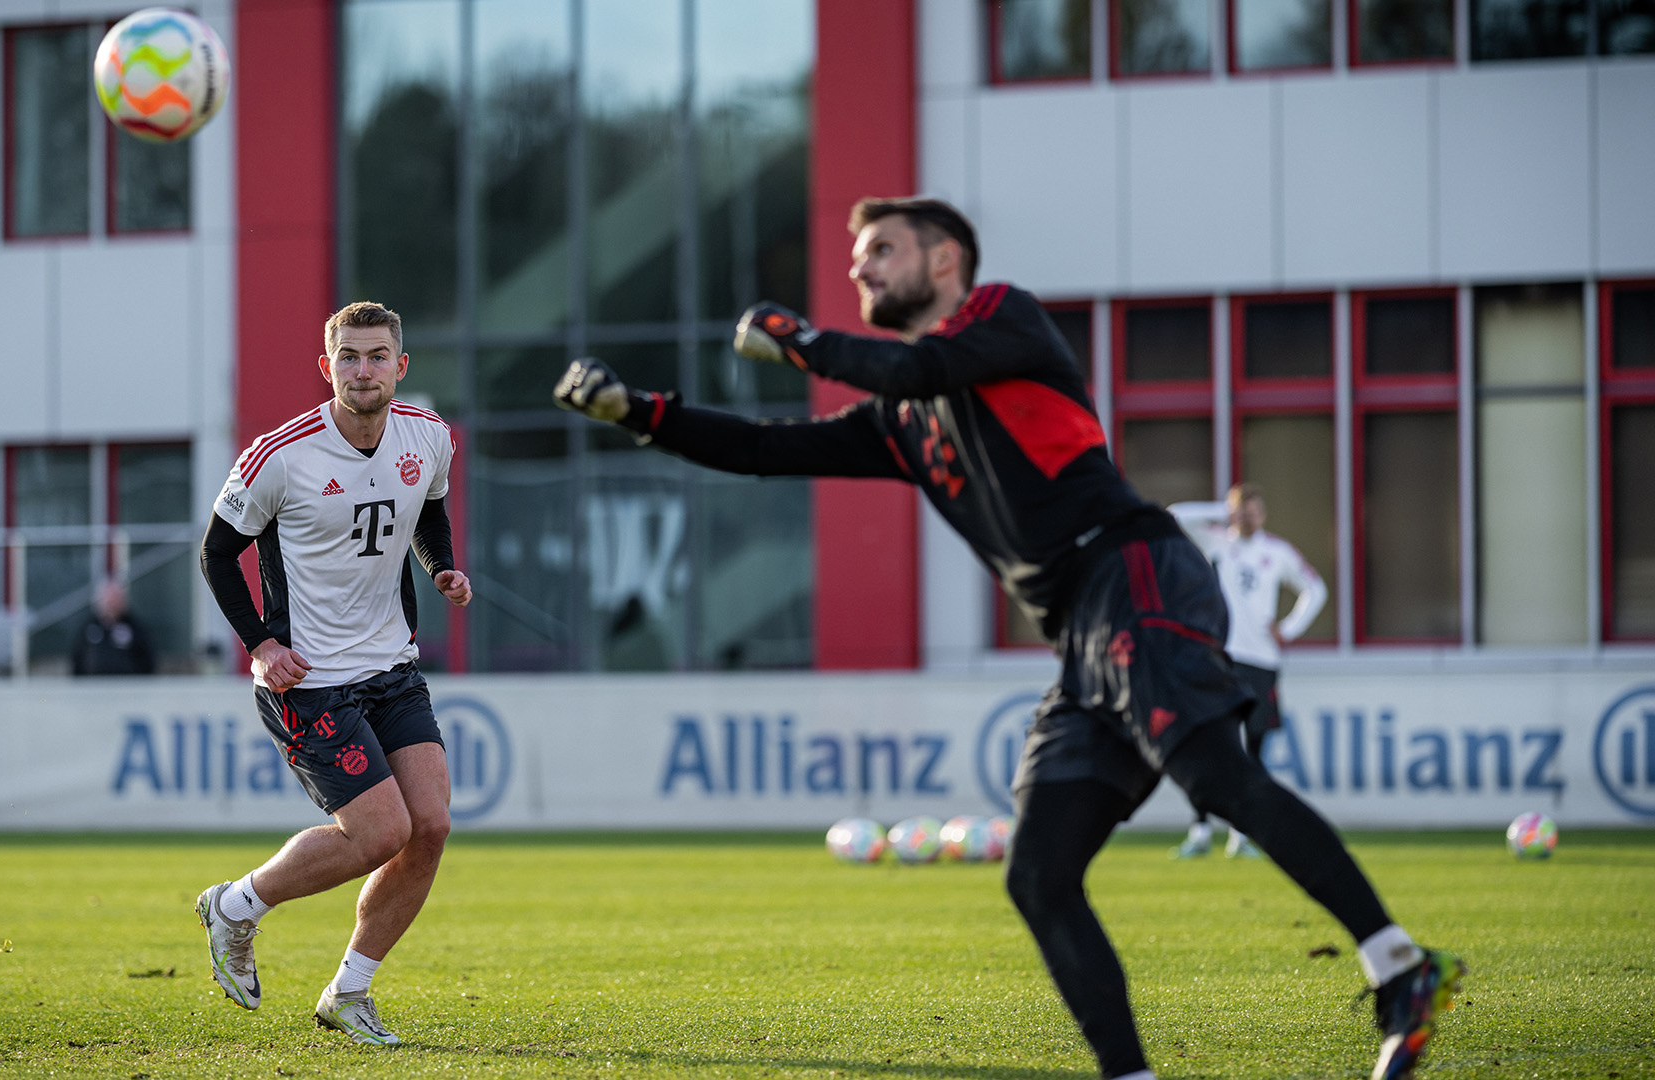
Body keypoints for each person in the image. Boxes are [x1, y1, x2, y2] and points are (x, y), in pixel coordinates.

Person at [552, 197, 1462, 1080]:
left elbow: (915, 368)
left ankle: (1398, 966)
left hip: (1133, 569)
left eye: (881, 251)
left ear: (944, 260)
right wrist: (641, 412)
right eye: (856, 256)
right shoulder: (904, 419)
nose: (858, 267)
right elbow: (763, 448)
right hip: (1082, 629)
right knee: (1038, 873)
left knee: (1215, 776)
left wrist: (801, 339)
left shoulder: (1005, 316)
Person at [196, 301, 472, 1047]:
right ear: (328, 368)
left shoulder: (430, 436)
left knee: (432, 825)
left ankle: (348, 993)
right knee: (381, 830)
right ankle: (236, 906)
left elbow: (429, 511)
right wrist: (258, 643)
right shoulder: (280, 454)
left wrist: (442, 567)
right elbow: (216, 554)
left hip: (391, 665)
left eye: (377, 355)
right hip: (308, 680)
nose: (363, 369)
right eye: (348, 356)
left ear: (400, 366)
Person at [1167, 484, 1327, 859]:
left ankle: (1242, 834)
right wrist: (1219, 511)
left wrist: (1287, 630)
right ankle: (1201, 829)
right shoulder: (1218, 543)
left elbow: (1315, 589)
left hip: (1262, 661)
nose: (1248, 516)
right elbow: (1174, 515)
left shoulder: (1277, 552)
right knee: (1209, 742)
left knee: (1254, 745)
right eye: (1242, 510)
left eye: (1254, 510)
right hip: (1220, 654)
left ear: (1264, 514)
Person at [71, 579, 155, 676]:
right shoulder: (89, 628)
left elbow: (147, 658)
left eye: (115, 600)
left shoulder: (134, 627)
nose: (111, 604)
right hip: (93, 687)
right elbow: (77, 658)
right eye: (108, 600)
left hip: (127, 687)